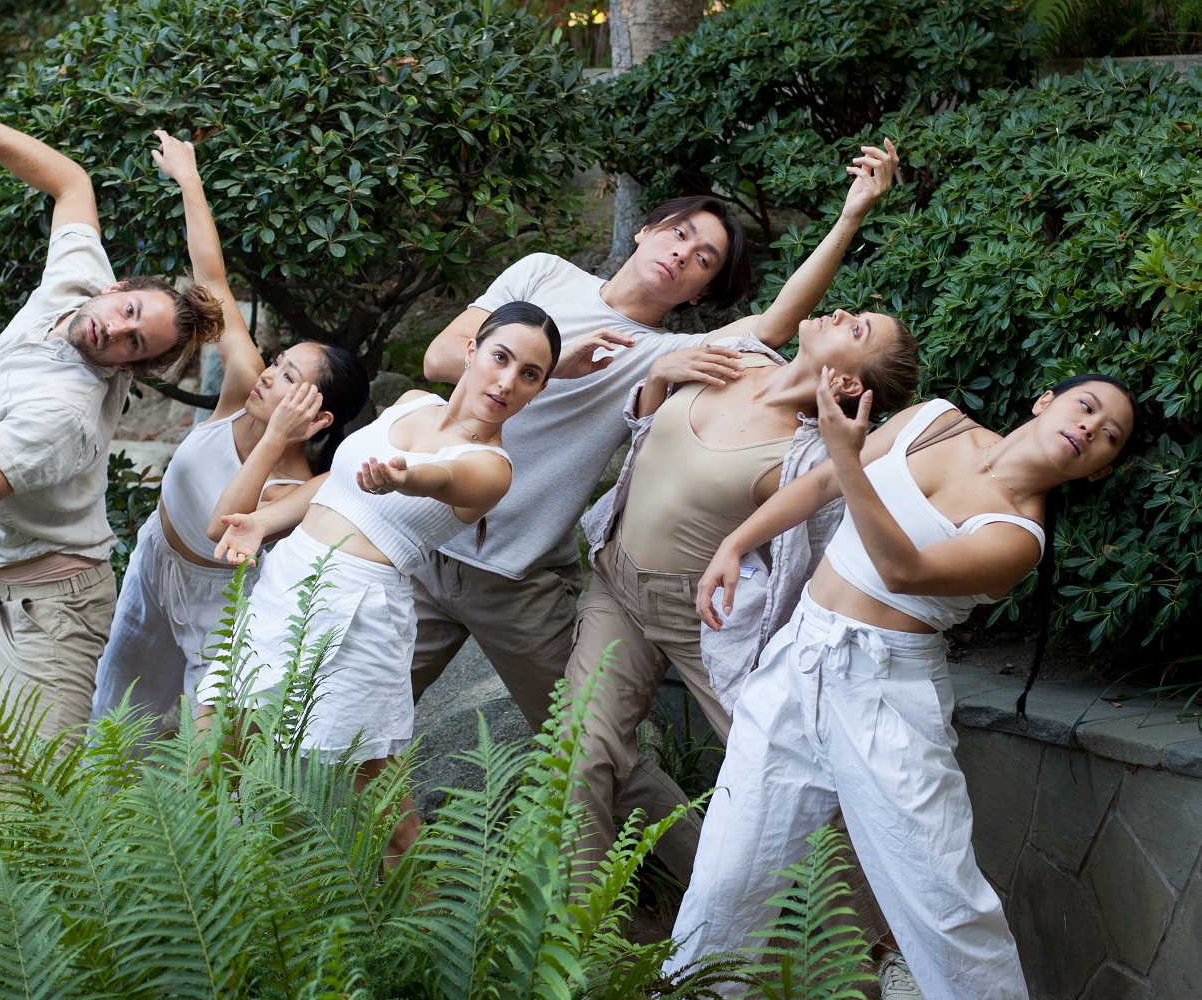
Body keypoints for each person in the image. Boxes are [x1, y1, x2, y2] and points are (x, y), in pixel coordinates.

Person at [417, 141, 900, 875]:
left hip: (514, 572)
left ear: (700, 294)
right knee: (343, 713)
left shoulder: (673, 353)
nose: (682, 253)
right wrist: (550, 367)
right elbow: (439, 357)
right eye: (679, 233)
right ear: (645, 230)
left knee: (589, 754)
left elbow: (777, 323)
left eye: (704, 259)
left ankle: (708, 898)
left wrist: (853, 211)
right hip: (420, 541)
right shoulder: (543, 273)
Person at [664, 372, 1139, 1000]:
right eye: (1086, 406)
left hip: (886, 694)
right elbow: (825, 483)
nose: (1089, 427)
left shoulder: (1019, 535)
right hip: (799, 660)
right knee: (727, 879)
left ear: (1100, 470)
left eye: (1109, 436)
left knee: (942, 902)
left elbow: (901, 569)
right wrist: (736, 541)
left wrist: (846, 454)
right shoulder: (934, 419)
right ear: (1044, 400)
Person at [566, 141, 918, 880]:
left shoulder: (806, 459)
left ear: (846, 386)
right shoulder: (738, 354)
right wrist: (657, 376)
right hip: (615, 584)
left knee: (783, 767)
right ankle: (581, 939)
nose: (841, 312)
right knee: (577, 756)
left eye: (856, 330)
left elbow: (835, 561)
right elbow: (651, 425)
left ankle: (858, 929)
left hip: (702, 614)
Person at [0, 104, 223, 741]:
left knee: (47, 795)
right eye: (129, 311)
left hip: (52, 611)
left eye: (135, 343)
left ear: (129, 367)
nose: (118, 330)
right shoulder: (78, 288)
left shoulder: (66, 413)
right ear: (116, 287)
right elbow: (71, 182)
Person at [211, 302, 561, 859]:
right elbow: (334, 483)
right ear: (472, 351)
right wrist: (263, 521)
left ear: (538, 390)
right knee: (215, 742)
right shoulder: (413, 401)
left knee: (379, 798)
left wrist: (406, 476)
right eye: (501, 357)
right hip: (289, 578)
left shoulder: (492, 467)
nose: (507, 382)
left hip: (362, 613)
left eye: (529, 375)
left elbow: (443, 476)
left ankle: (425, 912)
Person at [88, 130, 370, 743]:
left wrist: (275, 437)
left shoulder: (293, 489)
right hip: (154, 555)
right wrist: (190, 180)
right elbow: (211, 283)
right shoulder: (244, 387)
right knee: (115, 715)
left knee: (209, 748)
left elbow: (225, 524)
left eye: (289, 377)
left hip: (216, 606)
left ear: (319, 417)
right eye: (280, 361)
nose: (270, 374)